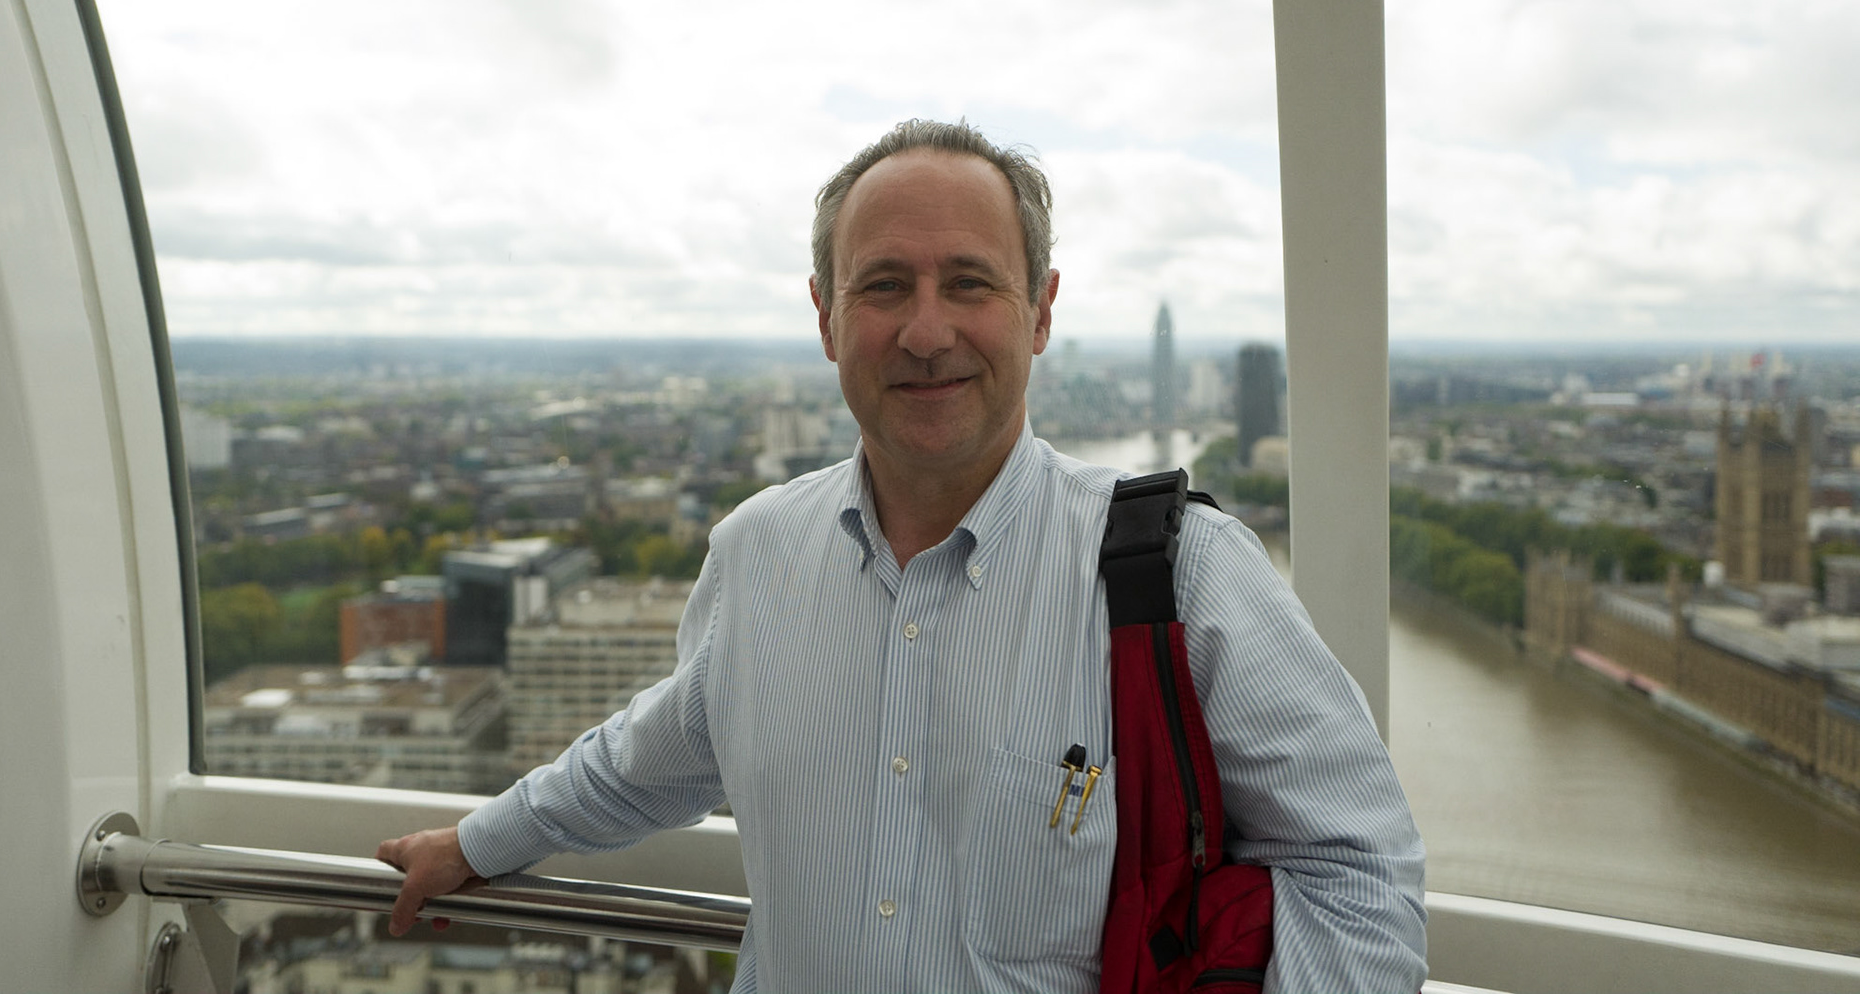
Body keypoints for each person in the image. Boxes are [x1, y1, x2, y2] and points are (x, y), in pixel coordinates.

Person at [378, 120, 1428, 993]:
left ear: (1041, 311)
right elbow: (647, 758)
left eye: (970, 283)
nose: (927, 332)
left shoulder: (1186, 573)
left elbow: (1358, 882)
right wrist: (475, 843)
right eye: (883, 286)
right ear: (826, 318)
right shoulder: (755, 554)